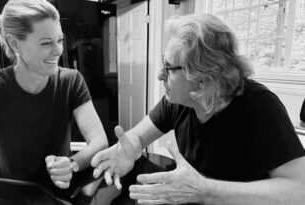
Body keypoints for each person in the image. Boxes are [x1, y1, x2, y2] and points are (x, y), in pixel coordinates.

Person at [91, 14, 305, 205]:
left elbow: (299, 191)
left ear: (203, 80)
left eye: (169, 68)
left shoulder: (260, 108)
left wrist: (204, 191)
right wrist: (130, 149)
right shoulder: (177, 102)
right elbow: (137, 136)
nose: (159, 75)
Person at [0, 0, 108, 204]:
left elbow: (99, 141)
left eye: (59, 40)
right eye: (46, 43)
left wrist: (72, 163)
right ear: (14, 43)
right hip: (7, 195)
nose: (58, 51)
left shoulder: (71, 81)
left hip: (56, 196)